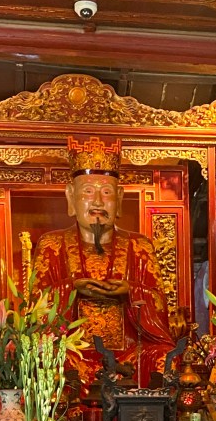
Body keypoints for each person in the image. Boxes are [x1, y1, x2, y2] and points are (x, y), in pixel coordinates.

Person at [32, 135, 174, 387]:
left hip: (129, 354)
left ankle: (144, 406)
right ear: (70, 196)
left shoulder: (139, 246)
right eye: (88, 191)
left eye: (106, 192)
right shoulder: (51, 245)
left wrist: (131, 291)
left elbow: (160, 305)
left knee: (164, 354)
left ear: (119, 198)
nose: (98, 201)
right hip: (71, 352)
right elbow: (36, 306)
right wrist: (71, 288)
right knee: (43, 353)